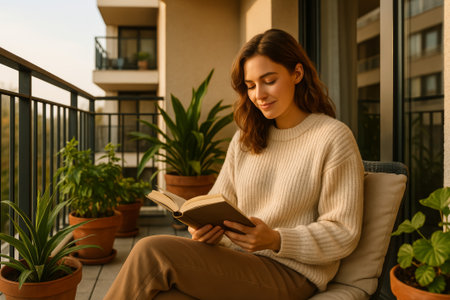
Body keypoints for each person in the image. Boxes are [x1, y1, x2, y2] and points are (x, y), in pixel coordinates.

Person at [104, 28, 364, 300]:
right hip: (237, 261)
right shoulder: (246, 139)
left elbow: (343, 232)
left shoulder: (332, 137)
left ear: (297, 74)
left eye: (269, 80)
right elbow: (219, 202)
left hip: (292, 273)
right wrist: (202, 228)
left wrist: (276, 239)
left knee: (150, 251)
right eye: (250, 86)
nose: (259, 94)